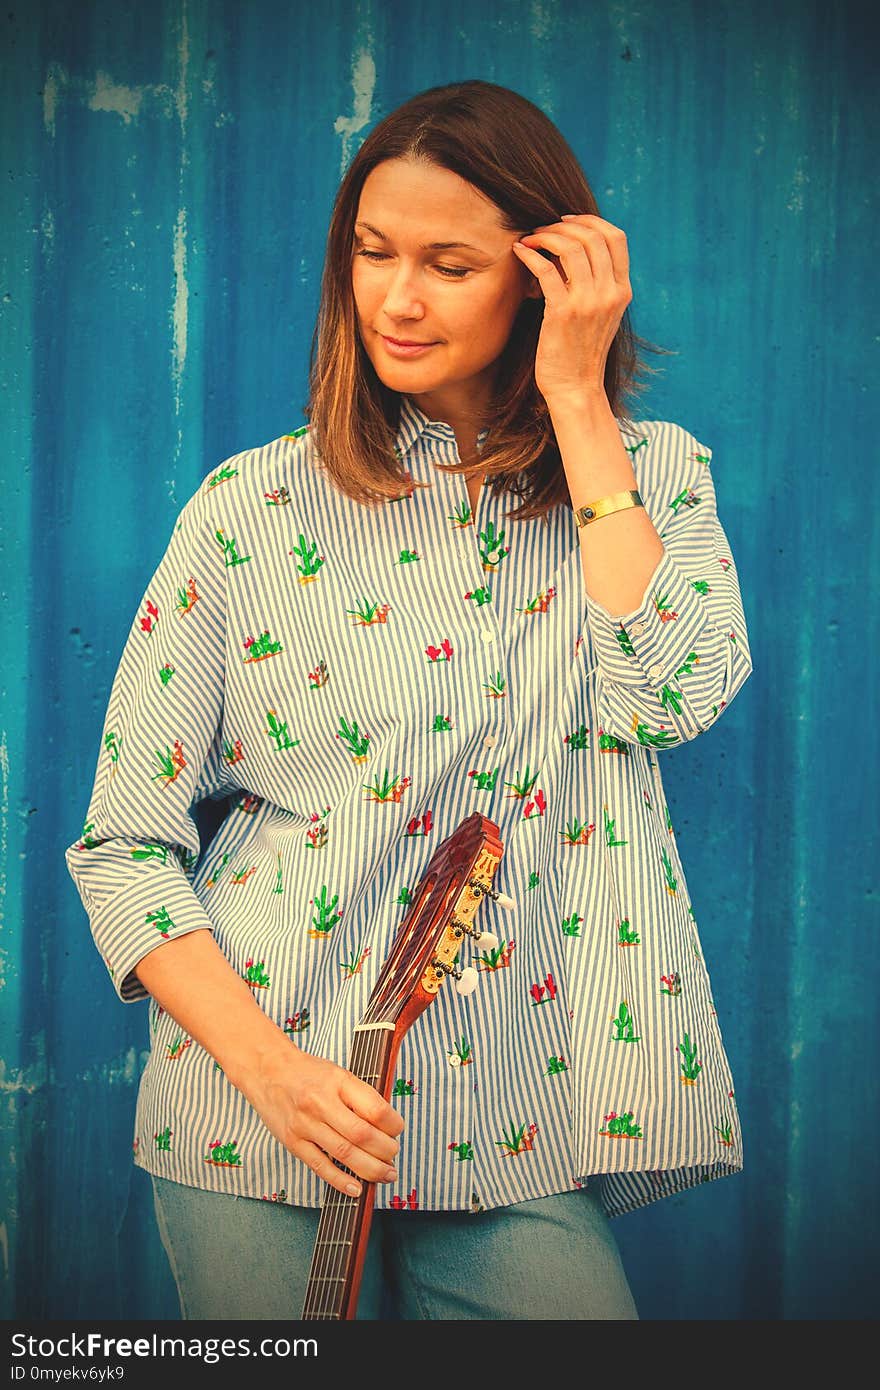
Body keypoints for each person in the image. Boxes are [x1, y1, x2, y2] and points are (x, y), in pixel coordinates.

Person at [66, 78, 752, 1322]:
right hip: (263, 1109)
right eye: (374, 253)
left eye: (449, 261)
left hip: (512, 1113)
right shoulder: (250, 509)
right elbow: (123, 844)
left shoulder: (647, 477)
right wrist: (273, 1075)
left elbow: (677, 690)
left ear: (540, 278)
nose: (397, 296)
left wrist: (581, 401)